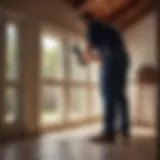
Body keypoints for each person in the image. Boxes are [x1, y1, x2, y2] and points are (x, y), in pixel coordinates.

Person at [80, 12, 130, 143]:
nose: (84, 28)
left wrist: (84, 56)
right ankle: (124, 128)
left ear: (85, 21)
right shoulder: (106, 30)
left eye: (83, 25)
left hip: (113, 58)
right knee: (119, 94)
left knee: (108, 92)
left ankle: (108, 133)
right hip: (122, 58)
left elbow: (90, 47)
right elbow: (102, 58)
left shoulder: (93, 24)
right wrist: (90, 58)